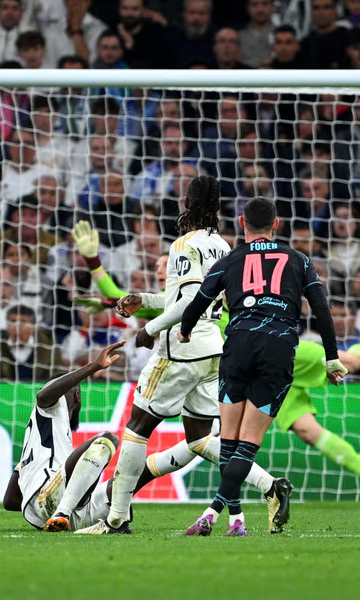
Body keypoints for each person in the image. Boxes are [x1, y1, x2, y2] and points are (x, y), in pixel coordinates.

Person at [75, 219, 360, 507]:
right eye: (157, 268)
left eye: (165, 265)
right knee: (306, 431)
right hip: (243, 370)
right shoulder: (174, 302)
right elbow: (125, 299)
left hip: (268, 352)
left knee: (348, 361)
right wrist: (95, 267)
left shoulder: (208, 291)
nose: (160, 270)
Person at [105, 177, 291, 535]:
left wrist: (150, 329)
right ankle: (270, 485)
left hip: (181, 348)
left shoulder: (183, 244)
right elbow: (195, 298)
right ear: (218, 208)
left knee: (137, 427)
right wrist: (145, 300)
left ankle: (116, 518)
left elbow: (190, 301)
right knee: (200, 439)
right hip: (212, 350)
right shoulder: (223, 246)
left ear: (186, 204)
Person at [175, 196, 344, 537]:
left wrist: (186, 329)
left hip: (239, 345)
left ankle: (231, 519)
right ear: (276, 224)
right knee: (248, 442)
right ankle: (219, 514)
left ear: (242, 223)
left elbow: (199, 299)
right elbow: (322, 309)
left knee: (228, 441)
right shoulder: (299, 260)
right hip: (278, 348)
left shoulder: (229, 260)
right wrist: (331, 357)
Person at [2, 341, 125, 531]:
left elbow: (10, 500)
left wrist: (39, 510)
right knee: (108, 440)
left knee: (122, 485)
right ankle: (65, 512)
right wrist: (93, 366)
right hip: (51, 497)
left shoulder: (39, 437)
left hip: (47, 510)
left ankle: (78, 515)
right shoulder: (52, 409)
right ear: (77, 396)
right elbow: (43, 397)